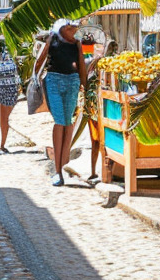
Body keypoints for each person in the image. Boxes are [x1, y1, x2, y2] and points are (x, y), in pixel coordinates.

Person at [34, 19, 87, 186]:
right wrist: (36, 82)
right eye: (70, 27)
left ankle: (63, 165)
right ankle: (58, 170)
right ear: (62, 28)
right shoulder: (52, 40)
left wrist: (84, 85)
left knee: (68, 123)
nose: (74, 29)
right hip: (54, 81)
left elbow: (81, 65)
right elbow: (39, 62)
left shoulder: (77, 44)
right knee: (60, 122)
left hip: (72, 81)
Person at [79, 39, 117, 182]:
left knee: (97, 141)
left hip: (94, 107)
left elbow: (84, 83)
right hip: (100, 107)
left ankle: (97, 171)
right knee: (100, 141)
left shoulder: (95, 63)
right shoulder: (102, 64)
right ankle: (98, 171)